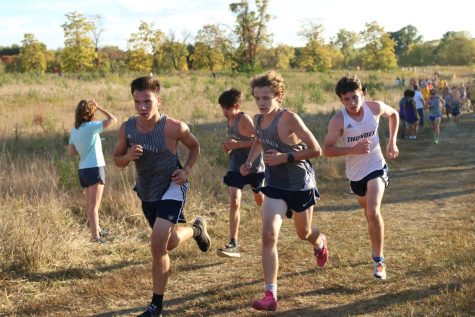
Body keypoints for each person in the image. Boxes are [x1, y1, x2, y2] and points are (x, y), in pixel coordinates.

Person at [112, 76, 211, 317]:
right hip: (147, 191)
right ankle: (197, 229)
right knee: (169, 243)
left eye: (147, 101)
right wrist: (128, 157)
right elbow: (117, 160)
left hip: (172, 187)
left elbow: (195, 147)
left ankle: (156, 305)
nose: (142, 107)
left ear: (159, 100)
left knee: (157, 245)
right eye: (137, 102)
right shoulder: (128, 128)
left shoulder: (174, 127)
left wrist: (185, 171)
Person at [240, 70, 329, 311]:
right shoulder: (258, 120)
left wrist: (285, 157)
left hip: (300, 184)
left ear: (278, 96)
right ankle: (270, 294)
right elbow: (259, 140)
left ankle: (319, 242)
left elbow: (316, 149)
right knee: (268, 235)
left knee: (304, 233)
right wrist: (250, 162)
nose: (260, 103)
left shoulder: (289, 118)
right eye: (257, 98)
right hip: (275, 186)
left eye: (266, 98)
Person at [323, 75, 399, 281]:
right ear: (341, 100)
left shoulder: (374, 108)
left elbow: (394, 115)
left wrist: (392, 142)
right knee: (368, 214)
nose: (352, 103)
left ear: (362, 94)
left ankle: (379, 260)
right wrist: (353, 149)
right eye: (346, 99)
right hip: (355, 175)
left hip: (376, 167)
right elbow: (326, 150)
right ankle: (376, 245)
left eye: (355, 97)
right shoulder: (339, 120)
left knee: (373, 211)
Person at [217, 88, 265, 258]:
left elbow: (259, 140)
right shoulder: (229, 120)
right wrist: (228, 146)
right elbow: (234, 141)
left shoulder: (244, 119)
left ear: (236, 106)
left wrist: (237, 144)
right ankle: (233, 242)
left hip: (254, 166)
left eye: (227, 108)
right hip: (236, 164)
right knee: (235, 200)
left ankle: (271, 205)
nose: (224, 112)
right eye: (223, 108)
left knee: (260, 199)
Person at [68, 99, 117, 243]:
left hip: (83, 170)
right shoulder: (92, 126)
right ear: (91, 112)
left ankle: (98, 231)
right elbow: (113, 120)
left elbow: (71, 152)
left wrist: (85, 146)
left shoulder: (74, 130)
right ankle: (95, 237)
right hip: (95, 167)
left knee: (90, 206)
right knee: (94, 207)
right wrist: (100, 107)